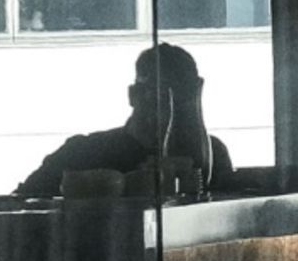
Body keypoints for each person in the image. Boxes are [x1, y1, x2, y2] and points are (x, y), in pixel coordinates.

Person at [14, 42, 237, 200]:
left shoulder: (212, 153)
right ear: (133, 95)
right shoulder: (82, 152)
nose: (169, 110)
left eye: (180, 99)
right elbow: (21, 204)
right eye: (159, 97)